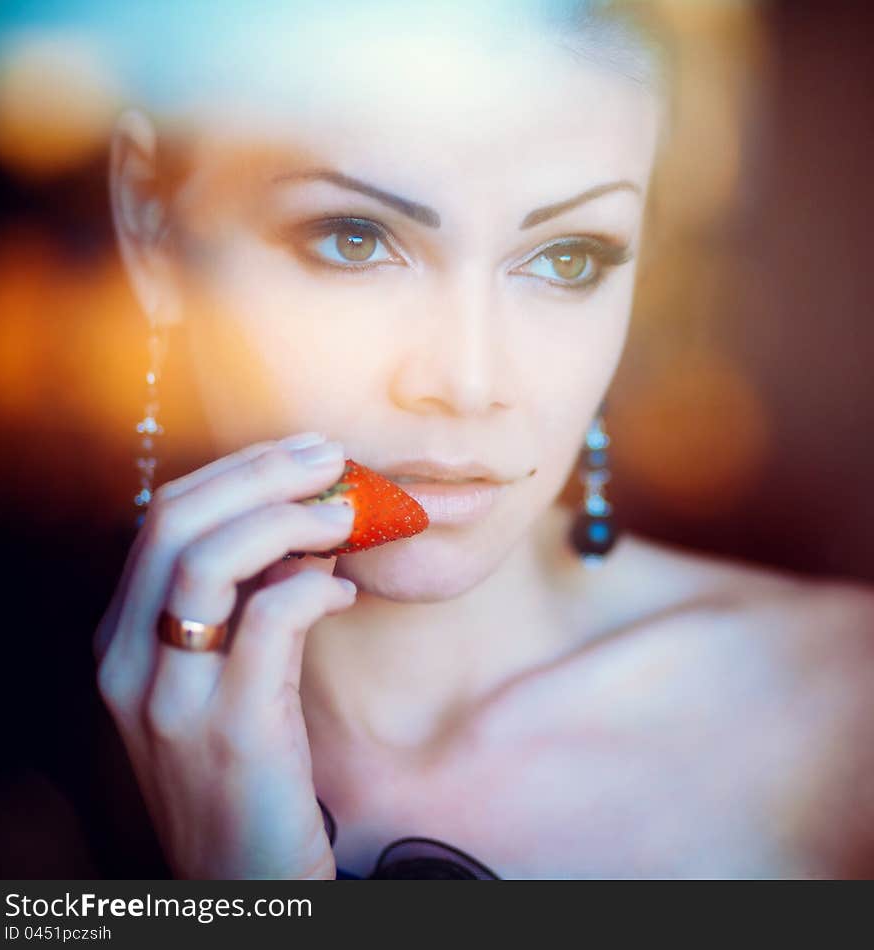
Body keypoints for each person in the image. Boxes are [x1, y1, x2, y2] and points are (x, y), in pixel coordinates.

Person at [92, 0, 874, 879]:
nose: (468, 382)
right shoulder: (34, 753)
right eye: (354, 240)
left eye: (568, 257)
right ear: (154, 229)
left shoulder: (851, 721)